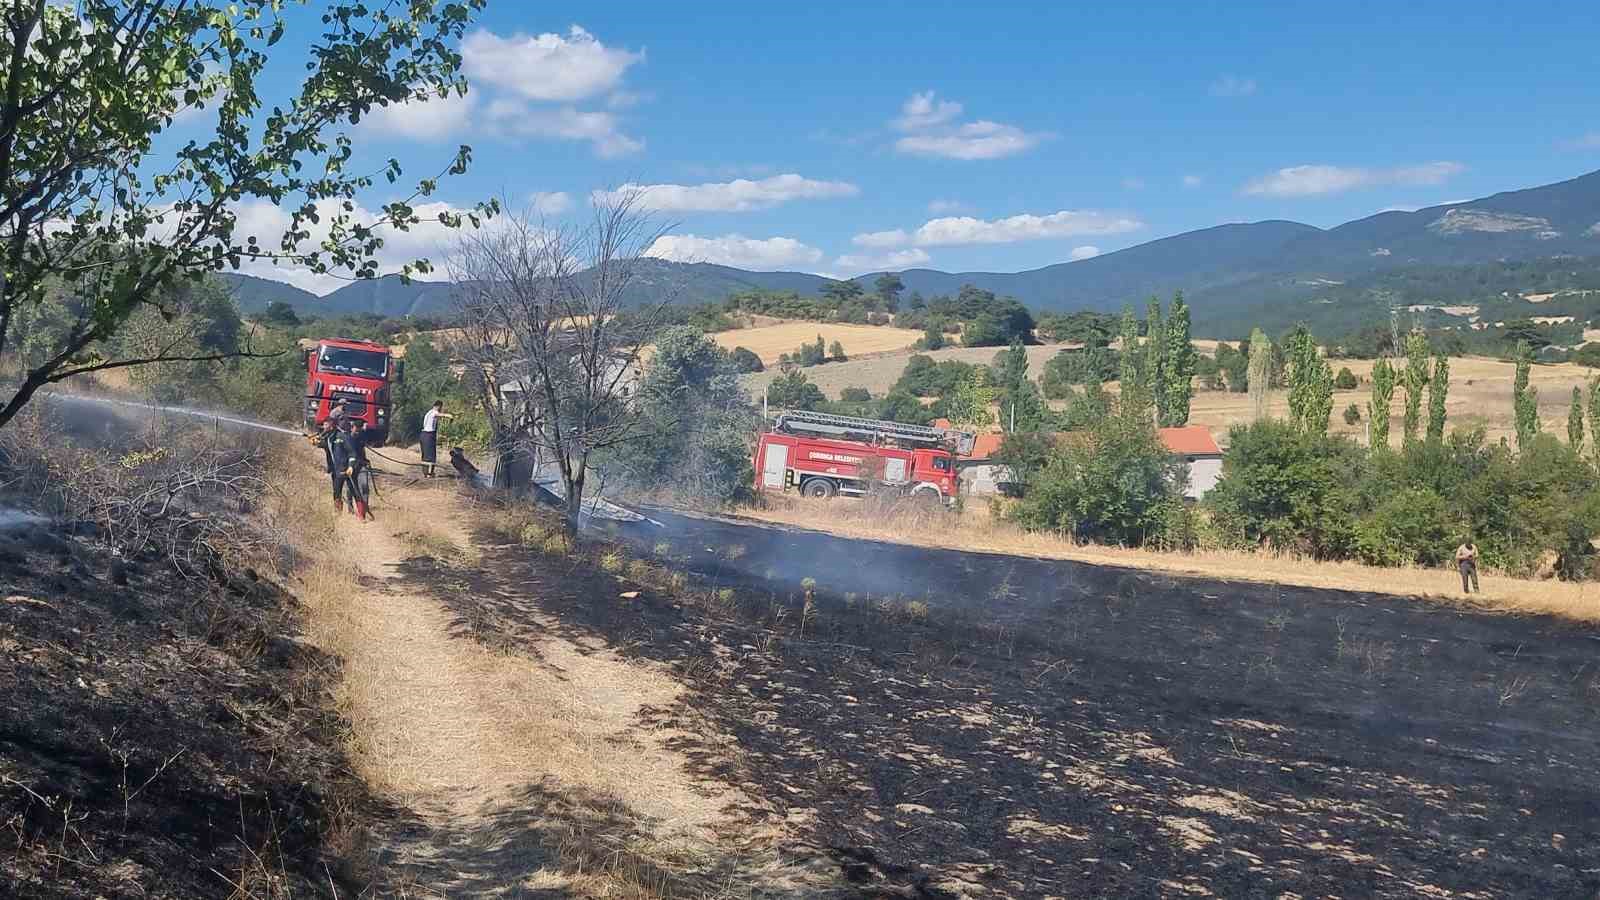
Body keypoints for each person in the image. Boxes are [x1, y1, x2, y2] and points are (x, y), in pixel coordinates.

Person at [340, 419, 374, 522]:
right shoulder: (346, 437)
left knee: (364, 486)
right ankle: (350, 506)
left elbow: (363, 447)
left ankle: (364, 509)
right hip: (351, 466)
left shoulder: (362, 435)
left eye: (360, 428)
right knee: (351, 488)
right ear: (352, 427)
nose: (358, 431)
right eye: (356, 428)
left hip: (362, 464)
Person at [420, 400, 454, 478]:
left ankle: (426, 473)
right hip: (429, 435)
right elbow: (439, 415)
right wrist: (449, 416)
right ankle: (429, 474)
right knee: (431, 455)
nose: (441, 409)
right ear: (438, 406)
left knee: (425, 454)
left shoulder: (428, 412)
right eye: (441, 407)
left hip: (423, 435)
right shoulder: (434, 413)